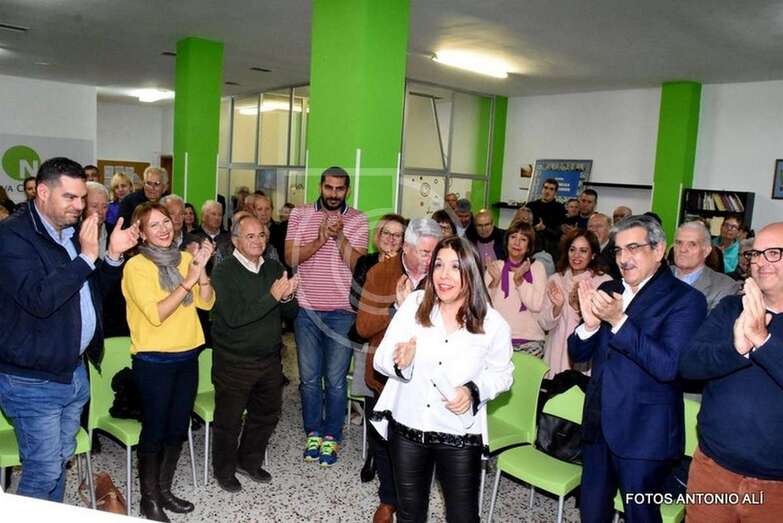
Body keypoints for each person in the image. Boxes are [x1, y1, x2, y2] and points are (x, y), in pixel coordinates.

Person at [0, 157, 139, 502]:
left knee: (59, 463)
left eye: (81, 198)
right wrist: (87, 258)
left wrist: (111, 258)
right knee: (43, 470)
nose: (79, 206)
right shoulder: (12, 237)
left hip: (73, 371)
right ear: (42, 192)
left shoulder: (69, 232)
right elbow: (40, 300)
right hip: (32, 379)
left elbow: (89, 291)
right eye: (70, 198)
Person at [568, 214, 707, 523]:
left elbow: (669, 366)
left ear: (659, 251)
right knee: (591, 512)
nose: (623, 258)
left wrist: (619, 321)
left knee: (640, 515)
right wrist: (589, 327)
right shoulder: (610, 288)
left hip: (644, 433)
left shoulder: (686, 300)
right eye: (618, 250)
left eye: (633, 248)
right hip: (598, 424)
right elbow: (577, 352)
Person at [371, 236, 513, 523]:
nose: (444, 275)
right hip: (409, 430)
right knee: (410, 515)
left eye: (455, 267)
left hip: (459, 436)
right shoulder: (413, 305)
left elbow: (503, 374)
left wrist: (474, 391)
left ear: (470, 272)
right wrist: (402, 363)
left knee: (463, 517)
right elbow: (380, 359)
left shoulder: (492, 323)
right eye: (438, 265)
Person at [679, 223, 783, 521]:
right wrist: (737, 348)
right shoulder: (730, 308)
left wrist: (762, 340)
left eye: (773, 253)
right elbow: (689, 364)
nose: (761, 261)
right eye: (756, 253)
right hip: (713, 469)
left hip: (776, 486)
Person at [121, 202, 215, 521]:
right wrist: (188, 280)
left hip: (188, 356)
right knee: (155, 430)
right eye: (154, 225)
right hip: (153, 360)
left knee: (177, 428)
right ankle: (149, 500)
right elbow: (156, 313)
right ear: (142, 234)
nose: (163, 229)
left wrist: (201, 272)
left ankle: (164, 490)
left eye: (166, 222)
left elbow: (206, 303)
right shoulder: (136, 267)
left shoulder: (185, 258)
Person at [355, 218, 442, 523]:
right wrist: (396, 309)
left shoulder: (443, 277)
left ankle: (410, 503)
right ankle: (388, 499)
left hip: (426, 381)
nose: (432, 261)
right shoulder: (381, 273)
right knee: (383, 439)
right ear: (406, 247)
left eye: (436, 253)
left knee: (418, 445)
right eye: (425, 252)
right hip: (384, 376)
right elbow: (363, 326)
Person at [285, 166, 368, 467]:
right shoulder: (300, 214)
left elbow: (359, 264)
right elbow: (290, 257)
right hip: (307, 310)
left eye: (340, 189)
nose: (333, 194)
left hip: (342, 313)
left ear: (347, 190)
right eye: (329, 188)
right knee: (308, 379)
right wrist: (320, 238)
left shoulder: (358, 219)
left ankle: (331, 435)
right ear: (320, 186)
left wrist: (340, 236)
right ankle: (313, 433)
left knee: (334, 381)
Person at [210, 215, 298, 492]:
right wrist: (272, 296)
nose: (258, 240)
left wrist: (287, 297)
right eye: (250, 236)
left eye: (261, 235)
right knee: (229, 420)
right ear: (235, 240)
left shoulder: (273, 266)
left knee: (267, 414)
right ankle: (223, 470)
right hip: (234, 361)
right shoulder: (224, 272)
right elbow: (235, 317)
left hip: (269, 358)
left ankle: (248, 461)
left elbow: (289, 315)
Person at [538, 230, 611, 377]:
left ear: (593, 255)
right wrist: (557, 307)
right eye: (572, 250)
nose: (576, 255)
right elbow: (544, 323)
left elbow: (607, 328)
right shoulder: (555, 279)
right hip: (556, 354)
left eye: (583, 251)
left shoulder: (604, 282)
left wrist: (579, 310)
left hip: (587, 358)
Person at [485, 220, 547, 357]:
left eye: (523, 239)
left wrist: (520, 281)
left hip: (531, 341)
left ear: (529, 246)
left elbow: (537, 305)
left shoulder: (537, 268)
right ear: (506, 241)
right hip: (498, 340)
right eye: (513, 237)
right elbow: (485, 310)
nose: (517, 243)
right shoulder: (495, 266)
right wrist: (494, 282)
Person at [672, 221, 740, 311]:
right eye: (679, 243)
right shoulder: (656, 274)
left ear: (706, 251)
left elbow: (713, 323)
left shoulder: (724, 286)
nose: (683, 249)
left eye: (692, 244)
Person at [527, 178, 566, 255]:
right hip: (531, 245)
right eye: (545, 188)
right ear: (542, 189)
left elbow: (558, 233)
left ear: (555, 193)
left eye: (551, 189)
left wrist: (544, 228)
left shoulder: (560, 208)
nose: (547, 191)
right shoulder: (531, 206)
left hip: (550, 248)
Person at [191, 200, 232, 267]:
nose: (217, 218)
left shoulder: (228, 237)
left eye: (220, 215)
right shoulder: (193, 236)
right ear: (204, 216)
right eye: (213, 214)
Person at [589, 212, 620, 279]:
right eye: (590, 226)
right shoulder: (581, 248)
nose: (593, 230)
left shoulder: (617, 251)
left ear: (609, 229)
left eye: (599, 226)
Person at [85, 182, 110, 259]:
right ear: (83, 207)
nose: (100, 211)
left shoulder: (113, 232)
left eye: (104, 206)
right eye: (94, 206)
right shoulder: (72, 235)